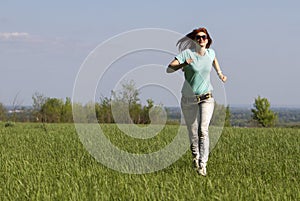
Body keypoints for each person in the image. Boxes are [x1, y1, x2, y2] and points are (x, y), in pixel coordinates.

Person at [167, 27, 227, 176]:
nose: (201, 40)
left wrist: (220, 74)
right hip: (188, 100)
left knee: (203, 130)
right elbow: (169, 69)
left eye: (204, 37)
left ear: (208, 40)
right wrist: (184, 64)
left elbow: (214, 60)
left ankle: (203, 165)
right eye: (198, 37)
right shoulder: (187, 54)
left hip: (206, 98)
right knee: (193, 132)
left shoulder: (211, 53)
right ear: (194, 40)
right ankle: (196, 157)